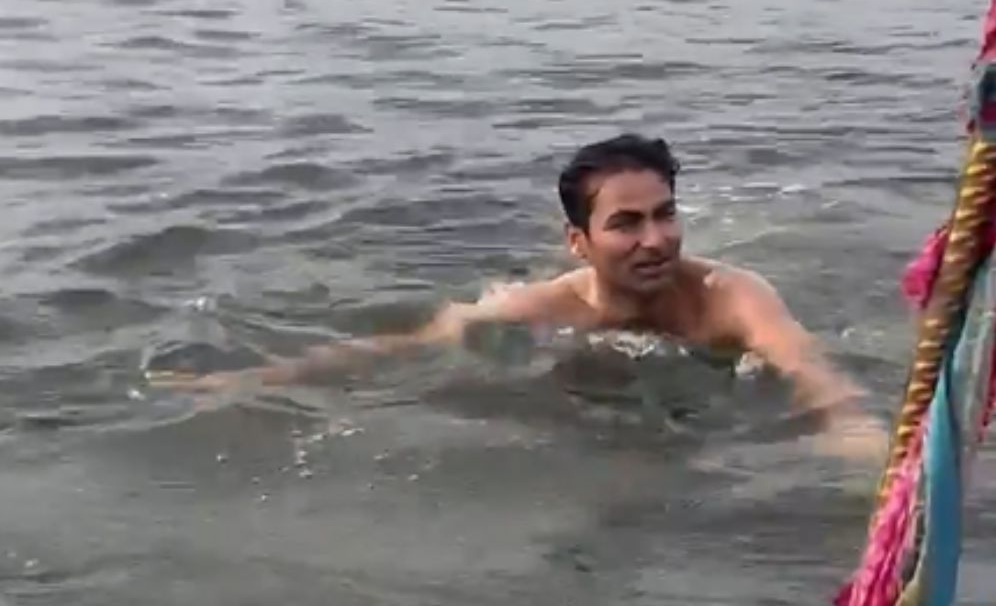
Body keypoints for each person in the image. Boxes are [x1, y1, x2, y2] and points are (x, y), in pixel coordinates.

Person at [150, 134, 888, 463]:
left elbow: (812, 375)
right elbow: (396, 351)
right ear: (579, 242)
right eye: (626, 223)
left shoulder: (730, 297)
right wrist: (251, 383)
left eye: (666, 215)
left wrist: (860, 438)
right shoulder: (543, 312)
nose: (656, 240)